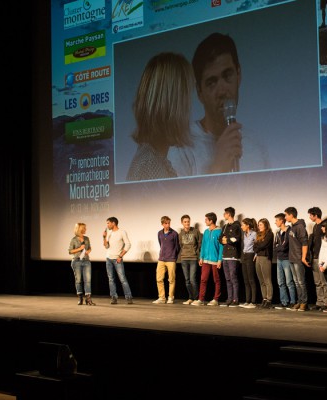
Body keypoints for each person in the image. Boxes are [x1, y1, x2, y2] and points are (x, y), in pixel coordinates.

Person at [167, 32, 269, 176]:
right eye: (211, 82)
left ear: (239, 75)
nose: (222, 91)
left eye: (228, 76)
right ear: (199, 92)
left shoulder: (256, 146)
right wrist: (217, 169)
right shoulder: (182, 148)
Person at [126, 52, 195, 181]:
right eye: (186, 97)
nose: (189, 107)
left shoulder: (153, 159)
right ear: (173, 104)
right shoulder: (150, 165)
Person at [192, 212, 223, 306]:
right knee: (203, 279)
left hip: (215, 260)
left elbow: (221, 246)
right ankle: (201, 299)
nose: (205, 221)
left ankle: (216, 299)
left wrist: (219, 260)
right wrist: (201, 257)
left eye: (206, 219)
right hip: (205, 260)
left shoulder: (219, 231)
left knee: (216, 280)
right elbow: (203, 245)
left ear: (211, 221)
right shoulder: (205, 232)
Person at [284, 207, 310, 312]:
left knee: (301, 281)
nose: (285, 217)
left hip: (298, 258)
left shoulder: (300, 227)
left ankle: (304, 302)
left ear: (291, 215)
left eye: (286, 215)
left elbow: (304, 243)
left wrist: (303, 257)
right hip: (292, 257)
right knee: (296, 281)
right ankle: (299, 301)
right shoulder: (291, 227)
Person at [103, 217, 133, 304]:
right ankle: (113, 297)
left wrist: (120, 256)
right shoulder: (109, 233)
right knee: (111, 279)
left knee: (122, 279)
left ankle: (128, 297)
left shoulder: (122, 232)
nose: (107, 225)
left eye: (108, 223)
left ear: (113, 223)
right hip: (108, 258)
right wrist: (104, 237)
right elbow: (106, 246)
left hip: (117, 259)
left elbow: (128, 244)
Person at [307, 207, 327, 311]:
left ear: (315, 215)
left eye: (311, 215)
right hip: (315, 257)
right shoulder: (315, 226)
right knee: (317, 282)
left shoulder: (323, 226)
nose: (310, 217)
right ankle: (319, 302)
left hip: (322, 257)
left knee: (324, 281)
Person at [273, 213, 297, 310]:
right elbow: (275, 247)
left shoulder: (289, 231)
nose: (275, 222)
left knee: (289, 282)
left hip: (287, 259)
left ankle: (292, 301)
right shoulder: (278, 232)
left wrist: (279, 247)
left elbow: (285, 246)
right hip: (279, 259)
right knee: (280, 282)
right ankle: (284, 301)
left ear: (282, 221)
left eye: (276, 220)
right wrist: (279, 247)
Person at [153, 216, 180, 304]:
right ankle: (162, 297)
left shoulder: (174, 233)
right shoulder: (159, 233)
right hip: (161, 259)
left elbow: (177, 247)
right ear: (162, 224)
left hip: (171, 259)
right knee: (159, 279)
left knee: (171, 279)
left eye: (169, 223)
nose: (167, 225)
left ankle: (171, 297)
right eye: (166, 223)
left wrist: (174, 257)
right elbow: (161, 244)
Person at [219, 207, 242, 307]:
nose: (224, 215)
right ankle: (229, 298)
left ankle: (235, 299)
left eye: (225, 214)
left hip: (233, 256)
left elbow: (236, 239)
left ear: (229, 214)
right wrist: (222, 240)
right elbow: (220, 238)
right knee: (227, 278)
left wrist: (226, 240)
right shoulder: (225, 226)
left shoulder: (237, 225)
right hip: (225, 256)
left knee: (233, 278)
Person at [68, 222, 94, 305]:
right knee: (78, 280)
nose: (85, 229)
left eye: (85, 228)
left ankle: (88, 299)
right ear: (79, 229)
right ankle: (80, 298)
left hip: (86, 261)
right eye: (84, 228)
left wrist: (88, 251)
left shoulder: (87, 238)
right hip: (77, 261)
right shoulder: (74, 239)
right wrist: (79, 248)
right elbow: (70, 251)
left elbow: (89, 248)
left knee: (88, 280)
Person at [179, 214, 202, 305]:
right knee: (187, 280)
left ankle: (196, 298)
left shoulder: (196, 231)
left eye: (188, 221)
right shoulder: (180, 234)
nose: (187, 223)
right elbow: (181, 245)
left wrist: (198, 256)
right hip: (184, 258)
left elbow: (199, 244)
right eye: (185, 222)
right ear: (182, 223)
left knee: (192, 279)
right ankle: (190, 297)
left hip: (193, 258)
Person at [254, 218, 274, 309]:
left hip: (265, 258)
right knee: (261, 280)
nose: (259, 226)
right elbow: (254, 247)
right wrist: (258, 246)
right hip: (258, 257)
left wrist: (258, 245)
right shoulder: (258, 234)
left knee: (267, 280)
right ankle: (264, 298)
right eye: (258, 225)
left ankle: (269, 300)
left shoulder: (269, 234)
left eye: (261, 225)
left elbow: (263, 245)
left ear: (266, 225)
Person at [240, 218, 258, 309]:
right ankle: (247, 301)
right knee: (246, 280)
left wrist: (256, 254)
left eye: (243, 225)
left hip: (251, 256)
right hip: (244, 256)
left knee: (251, 279)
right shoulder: (244, 234)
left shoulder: (254, 234)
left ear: (247, 225)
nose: (241, 226)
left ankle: (253, 301)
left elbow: (257, 244)